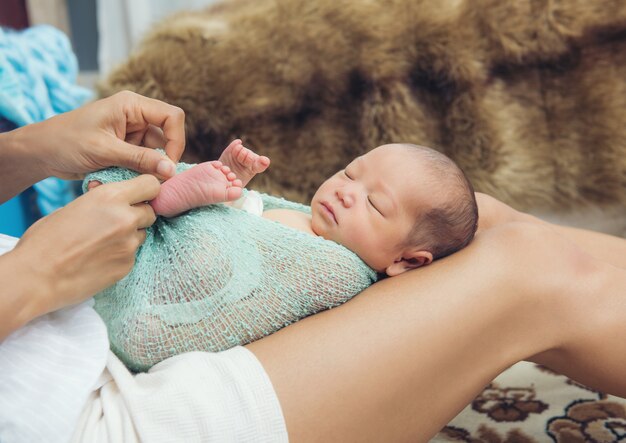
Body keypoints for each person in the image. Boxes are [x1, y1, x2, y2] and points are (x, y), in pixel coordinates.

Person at [0, 91, 624, 443]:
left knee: (475, 215)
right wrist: (34, 275)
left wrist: (30, 148)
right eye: (351, 174)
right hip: (86, 409)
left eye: (369, 196)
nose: (347, 188)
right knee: (537, 269)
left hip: (61, 328)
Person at [85, 141, 479, 371]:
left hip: (185, 286)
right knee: (173, 179)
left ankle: (160, 205)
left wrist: (217, 210)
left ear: (407, 261)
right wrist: (231, 184)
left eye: (374, 204)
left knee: (206, 257)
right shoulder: (306, 217)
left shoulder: (339, 272)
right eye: (350, 173)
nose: (346, 191)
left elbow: (251, 288)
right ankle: (164, 200)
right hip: (210, 234)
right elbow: (253, 212)